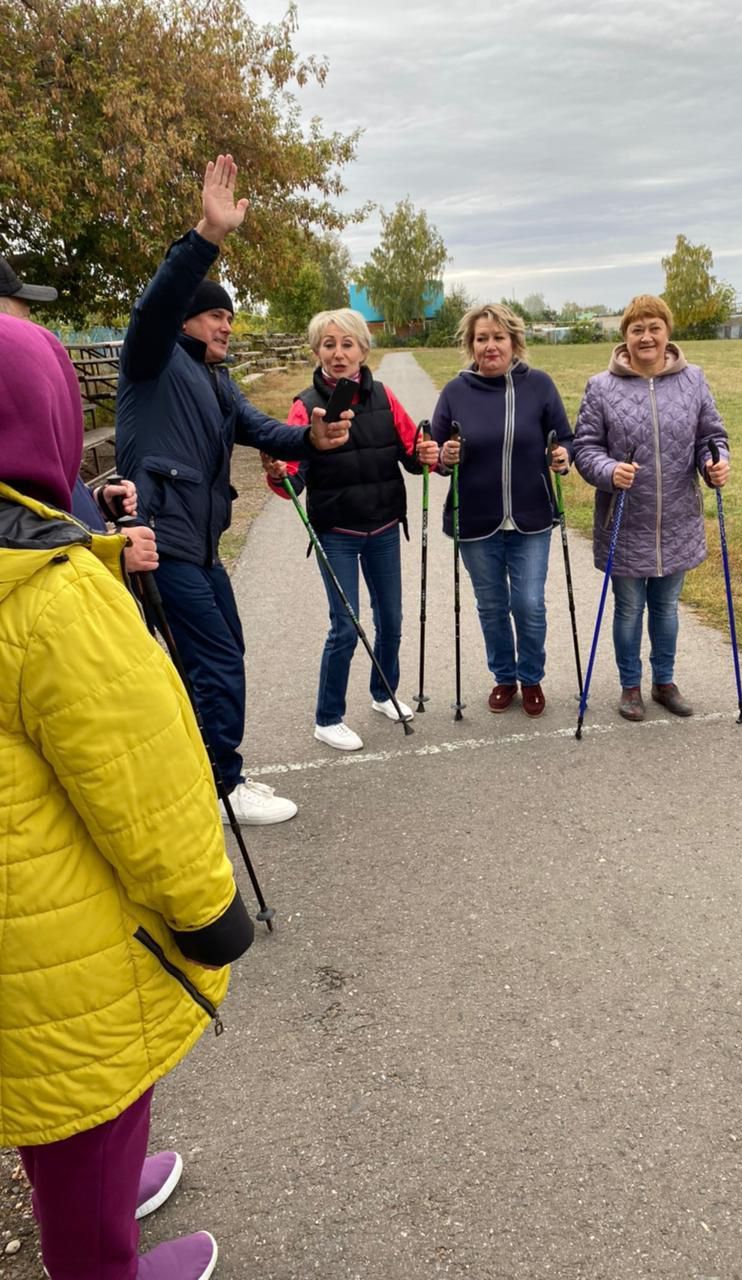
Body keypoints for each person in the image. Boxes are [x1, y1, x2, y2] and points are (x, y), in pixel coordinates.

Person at [0, 312, 255, 1280]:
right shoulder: (51, 596)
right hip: (55, 939)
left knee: (52, 1106)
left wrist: (96, 553)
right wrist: (207, 910)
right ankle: (101, 1249)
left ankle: (100, 1189)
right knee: (85, 1091)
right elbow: (142, 782)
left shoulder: (38, 576)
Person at [116, 155, 328, 824]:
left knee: (221, 655)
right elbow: (159, 301)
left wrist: (310, 442)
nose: (227, 326)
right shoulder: (151, 358)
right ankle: (220, 785)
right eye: (215, 318)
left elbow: (258, 427)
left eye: (231, 319)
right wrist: (207, 235)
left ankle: (212, 771)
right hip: (161, 540)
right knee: (214, 664)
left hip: (200, 545)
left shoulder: (215, 379)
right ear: (186, 319)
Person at [262, 309, 438, 751]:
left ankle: (384, 692)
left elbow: (411, 456)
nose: (338, 354)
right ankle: (328, 717)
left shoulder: (384, 396)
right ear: (316, 351)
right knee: (346, 625)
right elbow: (293, 480)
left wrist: (428, 453)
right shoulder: (305, 404)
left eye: (347, 344)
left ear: (363, 349)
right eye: (328, 344)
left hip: (382, 527)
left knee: (392, 621)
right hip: (336, 530)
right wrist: (278, 472)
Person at [573, 294, 730, 721]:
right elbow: (585, 448)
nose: (646, 336)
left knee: (666, 607)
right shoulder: (601, 386)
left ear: (667, 332)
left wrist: (715, 463)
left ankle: (664, 682)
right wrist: (609, 471)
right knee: (628, 609)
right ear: (624, 336)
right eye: (637, 328)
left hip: (678, 517)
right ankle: (630, 687)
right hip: (625, 519)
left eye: (654, 327)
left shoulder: (693, 379)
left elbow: (710, 436)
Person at [429, 302, 573, 717]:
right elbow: (435, 455)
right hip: (475, 520)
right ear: (470, 345)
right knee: (491, 605)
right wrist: (444, 456)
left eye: (498, 337)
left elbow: (566, 438)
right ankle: (504, 676)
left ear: (514, 342)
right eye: (481, 338)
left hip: (531, 517)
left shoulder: (539, 386)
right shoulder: (456, 391)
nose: (490, 346)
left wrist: (563, 455)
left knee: (528, 602)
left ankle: (531, 677)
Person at [0, 257, 160, 576]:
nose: (33, 333)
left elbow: (43, 510)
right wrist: (108, 554)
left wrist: (96, 502)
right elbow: (30, 567)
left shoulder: (28, 439)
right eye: (22, 319)